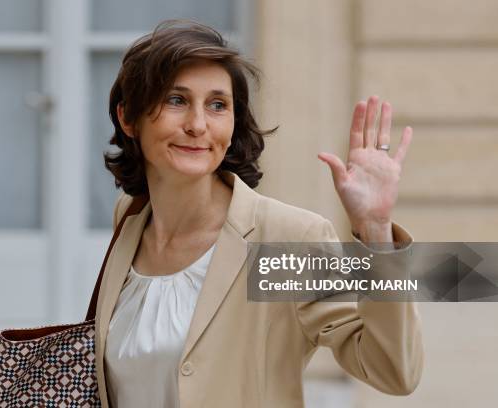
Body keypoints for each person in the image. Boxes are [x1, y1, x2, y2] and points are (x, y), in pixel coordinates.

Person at [95, 20, 423, 408]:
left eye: (218, 105)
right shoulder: (130, 220)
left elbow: (393, 371)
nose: (198, 125)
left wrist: (376, 232)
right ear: (127, 117)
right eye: (176, 100)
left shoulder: (284, 239)